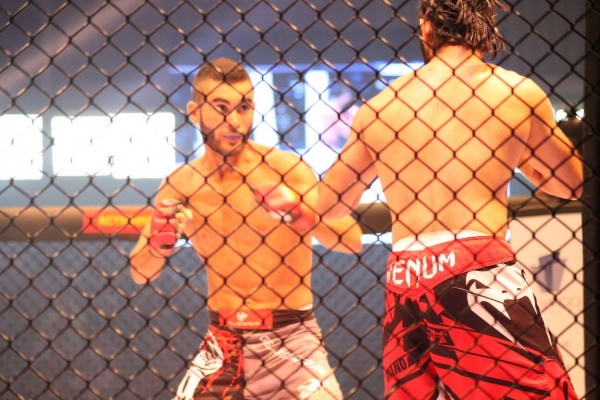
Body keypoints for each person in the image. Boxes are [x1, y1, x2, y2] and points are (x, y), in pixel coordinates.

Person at [316, 0, 583, 399]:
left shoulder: (381, 107)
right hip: (476, 270)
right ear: (485, 29)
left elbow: (330, 205)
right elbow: (571, 184)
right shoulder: (514, 92)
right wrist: (519, 154)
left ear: (426, 29)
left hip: (405, 276)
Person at [129, 58, 363, 400]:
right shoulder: (181, 184)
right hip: (222, 341)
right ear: (195, 112)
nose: (235, 121)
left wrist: (298, 213)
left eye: (244, 107)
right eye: (221, 108)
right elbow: (140, 273)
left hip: (293, 339)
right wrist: (157, 244)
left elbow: (352, 239)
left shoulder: (286, 170)